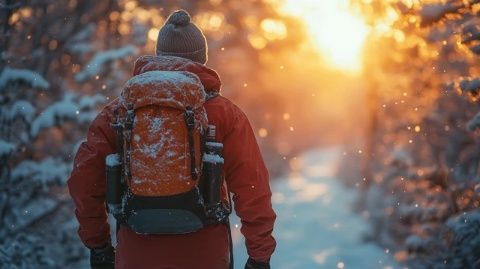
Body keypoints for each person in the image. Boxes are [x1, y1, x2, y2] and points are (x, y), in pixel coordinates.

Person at [68, 9, 276, 269]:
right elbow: (252, 187)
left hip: (136, 254)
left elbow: (84, 181)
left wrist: (98, 245)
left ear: (158, 56)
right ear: (201, 60)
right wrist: (260, 255)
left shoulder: (119, 111)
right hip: (205, 255)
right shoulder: (224, 113)